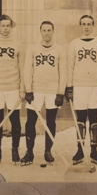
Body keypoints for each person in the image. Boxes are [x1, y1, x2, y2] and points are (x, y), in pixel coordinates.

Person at [65, 15, 97, 166]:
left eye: (89, 24)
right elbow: (70, 66)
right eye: (83, 24)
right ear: (80, 25)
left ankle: (94, 150)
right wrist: (69, 87)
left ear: (93, 25)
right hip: (79, 86)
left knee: (94, 118)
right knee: (81, 119)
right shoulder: (74, 44)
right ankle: (79, 150)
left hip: (95, 85)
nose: (86, 27)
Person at [21, 21, 67, 166]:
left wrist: (60, 93)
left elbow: (63, 72)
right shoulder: (33, 49)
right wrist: (28, 89)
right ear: (40, 31)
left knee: (51, 122)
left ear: (53, 31)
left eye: (49, 30)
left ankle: (48, 150)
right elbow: (27, 70)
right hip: (36, 91)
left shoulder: (59, 50)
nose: (47, 33)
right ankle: (29, 152)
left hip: (52, 91)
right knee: (30, 122)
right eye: (44, 30)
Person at [0, 14, 25, 164]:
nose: (6, 28)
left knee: (15, 121)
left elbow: (22, 69)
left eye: (8, 26)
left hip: (13, 87)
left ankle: (15, 150)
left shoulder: (19, 45)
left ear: (11, 27)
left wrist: (22, 88)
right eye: (3, 26)